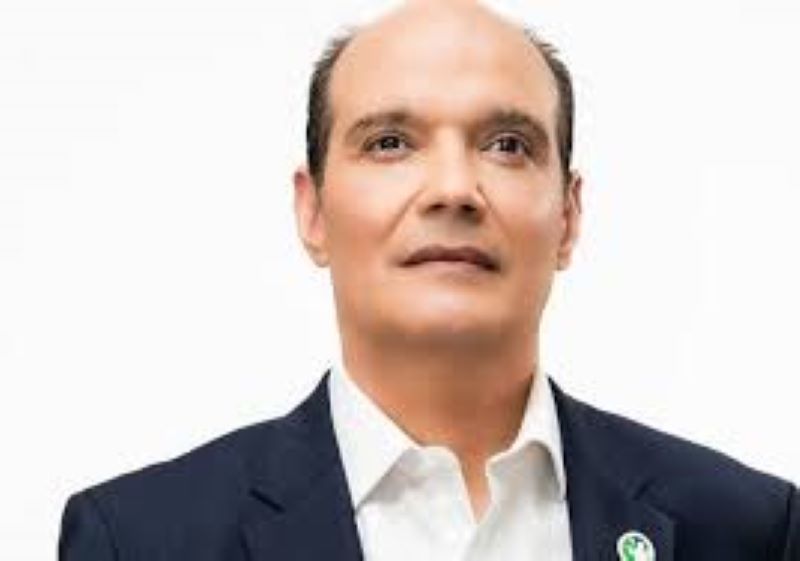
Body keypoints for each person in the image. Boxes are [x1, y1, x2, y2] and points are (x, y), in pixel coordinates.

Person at [58, 1, 799, 559]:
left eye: (507, 145)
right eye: (390, 143)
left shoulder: (746, 529)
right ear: (313, 211)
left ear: (569, 218)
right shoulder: (141, 538)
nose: (453, 189)